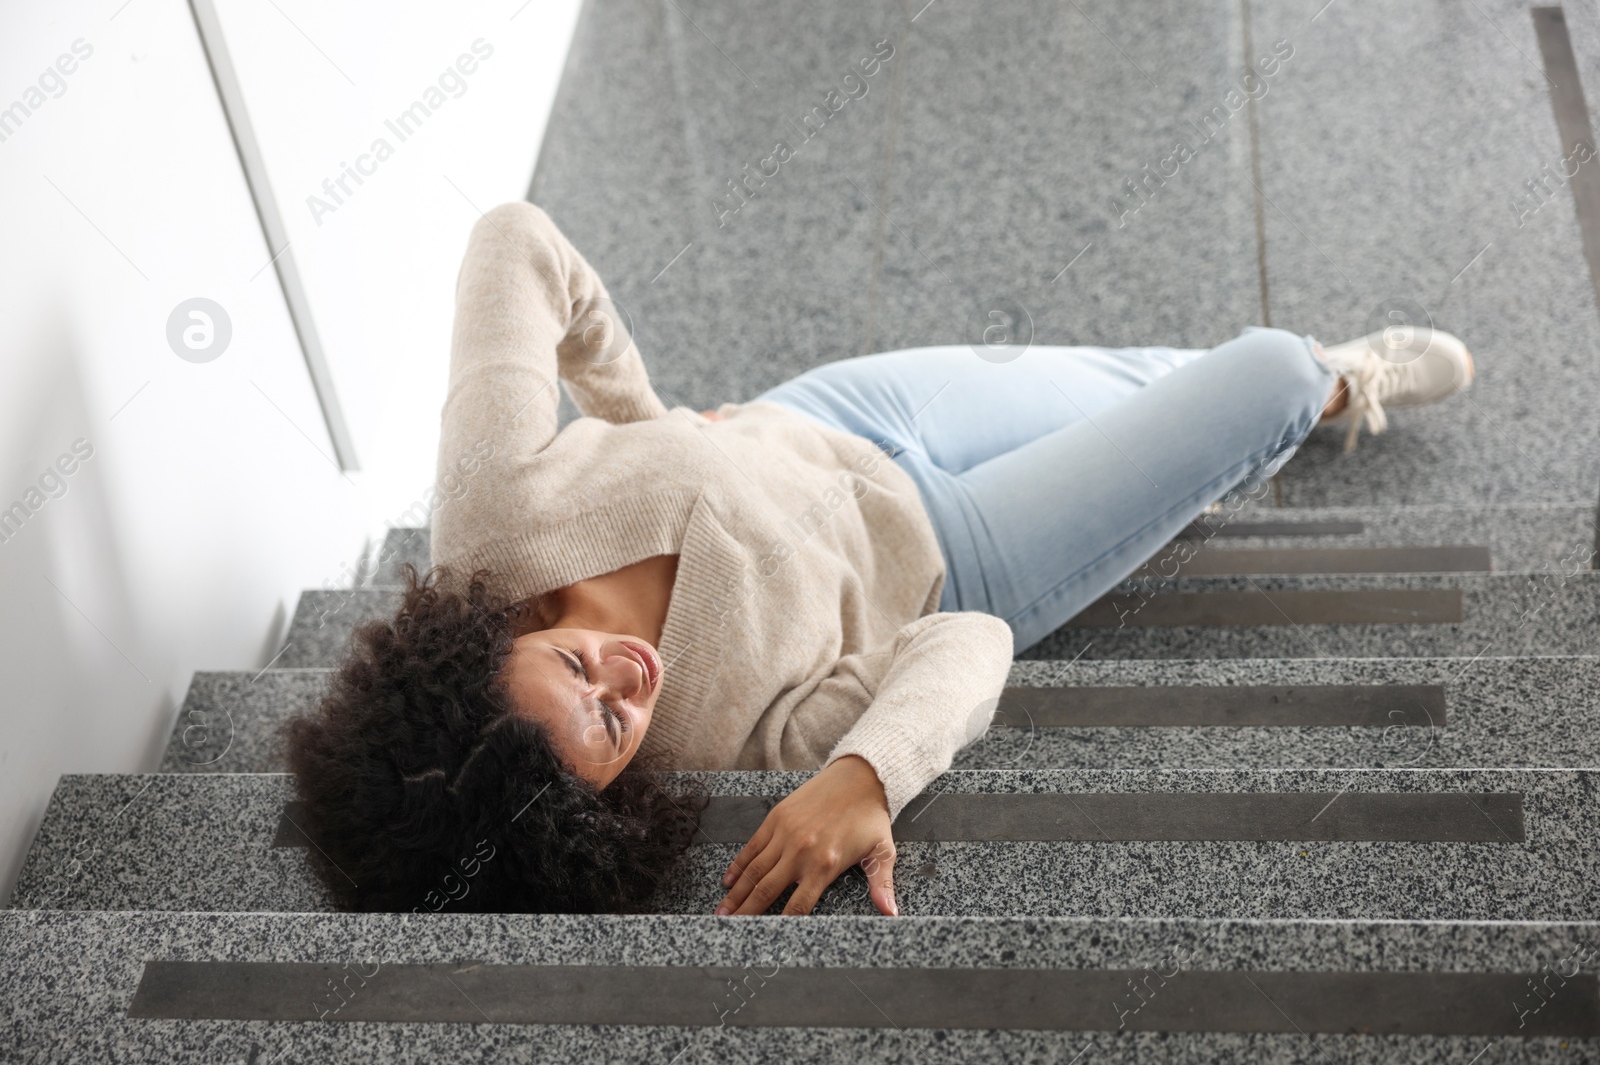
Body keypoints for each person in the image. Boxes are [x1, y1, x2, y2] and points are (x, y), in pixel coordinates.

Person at [285, 202, 1474, 918]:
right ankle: (1321, 384)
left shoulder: (487, 523)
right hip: (961, 544)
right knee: (1262, 374)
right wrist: (866, 772)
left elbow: (515, 244)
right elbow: (967, 642)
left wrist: (642, 414)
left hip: (837, 412)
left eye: (574, 666)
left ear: (489, 642)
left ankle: (1207, 391)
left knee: (1133, 379)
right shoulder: (720, 746)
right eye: (607, 727)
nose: (627, 676)